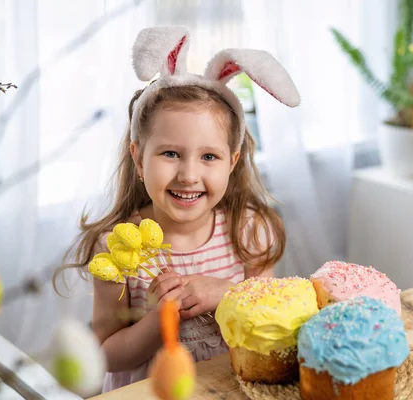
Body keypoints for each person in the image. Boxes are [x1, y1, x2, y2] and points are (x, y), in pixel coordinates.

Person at [54, 26, 300, 392]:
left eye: (209, 157)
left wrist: (228, 294)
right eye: (171, 153)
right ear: (139, 157)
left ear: (232, 163)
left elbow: (271, 322)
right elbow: (106, 354)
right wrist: (160, 319)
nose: (189, 175)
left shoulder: (249, 232)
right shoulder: (118, 249)